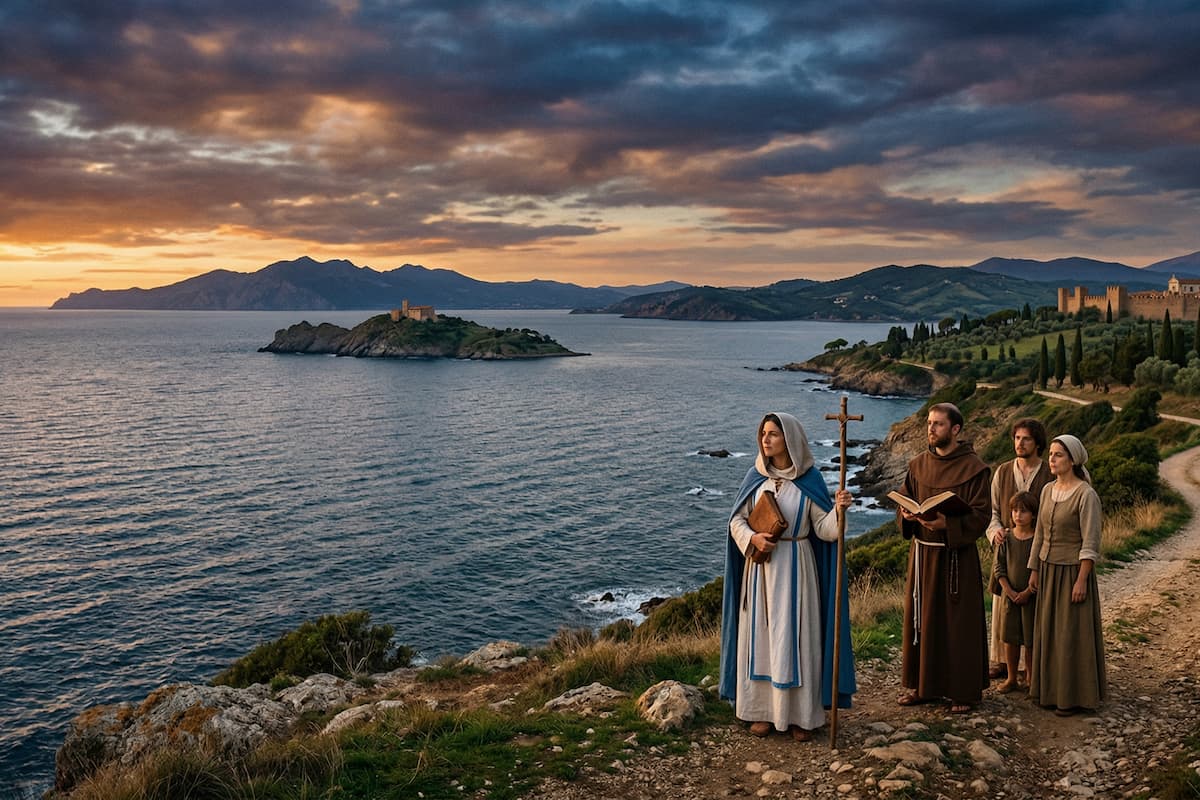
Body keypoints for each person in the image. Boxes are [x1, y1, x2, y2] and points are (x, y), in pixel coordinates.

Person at [719, 412, 856, 741]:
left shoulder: (809, 481)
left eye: (773, 434)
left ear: (790, 440)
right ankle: (760, 712)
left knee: (796, 639)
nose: (766, 440)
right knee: (761, 641)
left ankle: (800, 716)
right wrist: (752, 538)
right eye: (763, 433)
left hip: (797, 569)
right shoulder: (756, 477)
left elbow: (825, 531)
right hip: (760, 570)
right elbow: (736, 521)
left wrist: (839, 511)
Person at [896, 402, 991, 714]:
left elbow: (981, 515)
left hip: (955, 559)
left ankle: (961, 691)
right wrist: (908, 514)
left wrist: (947, 525)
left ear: (955, 430)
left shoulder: (975, 468)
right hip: (922, 553)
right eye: (929, 422)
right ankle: (923, 687)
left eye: (938, 424)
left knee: (956, 624)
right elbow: (904, 498)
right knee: (921, 620)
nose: (931, 428)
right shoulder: (918, 465)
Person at [1027, 434, 1107, 716]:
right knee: (1049, 632)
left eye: (1058, 455)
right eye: (1050, 454)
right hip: (1048, 570)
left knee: (1071, 634)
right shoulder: (1048, 490)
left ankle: (1074, 697)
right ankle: (1047, 692)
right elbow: (1039, 535)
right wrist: (1034, 569)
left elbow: (1090, 542)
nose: (1051, 459)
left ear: (1072, 460)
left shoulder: (1086, 495)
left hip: (1073, 572)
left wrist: (1082, 579)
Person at [985, 419, 1053, 680]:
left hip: (1040, 552)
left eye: (1025, 439)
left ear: (1037, 443)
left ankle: (1034, 668)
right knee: (1004, 606)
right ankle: (1002, 662)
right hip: (1008, 549)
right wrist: (996, 532)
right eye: (1016, 438)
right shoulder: (1002, 472)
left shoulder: (1049, 473)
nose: (1019, 443)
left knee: (1035, 609)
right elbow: (991, 511)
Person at [993, 491, 1038, 694]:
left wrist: (1028, 592)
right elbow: (998, 568)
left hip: (1032, 597)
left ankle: (1030, 678)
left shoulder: (1038, 539)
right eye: (1015, 511)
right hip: (1009, 597)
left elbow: (1041, 567)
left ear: (1033, 514)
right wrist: (1009, 591)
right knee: (1010, 639)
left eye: (1024, 511)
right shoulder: (1006, 538)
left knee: (1030, 639)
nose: (1018, 515)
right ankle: (1011, 678)